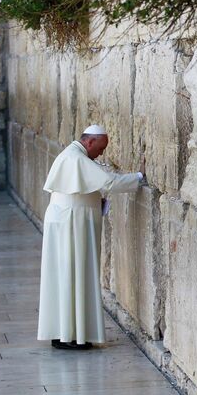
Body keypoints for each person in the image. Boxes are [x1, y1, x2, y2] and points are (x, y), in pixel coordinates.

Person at [37, 124, 146, 350]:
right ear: (90, 141)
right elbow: (109, 182)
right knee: (73, 275)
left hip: (67, 220)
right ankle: (70, 336)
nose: (102, 153)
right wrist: (138, 177)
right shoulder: (77, 159)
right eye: (101, 147)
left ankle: (63, 333)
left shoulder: (72, 155)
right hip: (71, 224)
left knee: (64, 276)